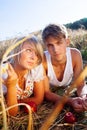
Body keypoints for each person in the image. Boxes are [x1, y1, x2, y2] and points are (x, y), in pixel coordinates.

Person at [42, 23, 87, 112]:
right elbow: (46, 93)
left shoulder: (75, 55)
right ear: (46, 46)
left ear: (67, 42)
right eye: (50, 45)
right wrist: (70, 101)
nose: (55, 50)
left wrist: (84, 97)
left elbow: (80, 84)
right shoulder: (43, 60)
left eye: (59, 43)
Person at [1, 36, 45, 116]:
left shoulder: (35, 68)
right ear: (15, 52)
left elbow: (39, 99)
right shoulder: (3, 73)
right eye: (28, 50)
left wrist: (17, 102)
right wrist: (11, 86)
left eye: (37, 54)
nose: (33, 57)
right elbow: (12, 113)